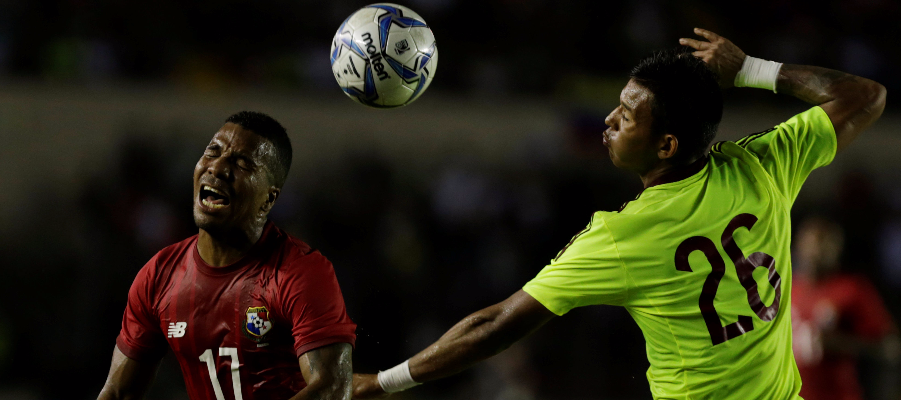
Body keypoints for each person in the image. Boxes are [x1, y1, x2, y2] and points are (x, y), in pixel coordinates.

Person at [353, 28, 887, 399]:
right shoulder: (767, 164)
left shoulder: (624, 234)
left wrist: (382, 382)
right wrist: (750, 69)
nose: (609, 120)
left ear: (666, 146)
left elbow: (495, 325)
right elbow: (863, 94)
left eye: (627, 116)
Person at [97, 111, 356, 400]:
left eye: (242, 163)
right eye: (212, 152)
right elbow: (119, 393)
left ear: (268, 199)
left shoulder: (300, 272)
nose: (217, 168)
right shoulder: (159, 275)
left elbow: (331, 388)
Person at [791, 217, 900, 400]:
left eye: (825, 244)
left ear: (837, 249)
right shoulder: (786, 290)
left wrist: (837, 343)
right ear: (798, 244)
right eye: (812, 243)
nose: (817, 251)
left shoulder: (852, 289)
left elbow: (890, 347)